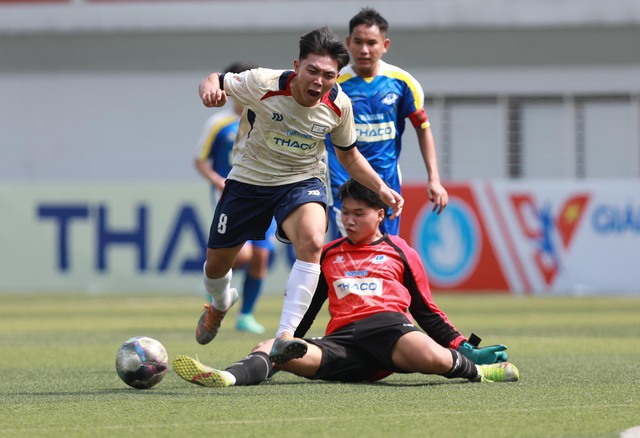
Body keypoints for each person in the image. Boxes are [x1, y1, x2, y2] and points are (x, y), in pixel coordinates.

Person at [172, 179, 517, 387]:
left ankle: (480, 373)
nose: (348, 221)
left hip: (392, 333)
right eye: (344, 213)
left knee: (434, 357)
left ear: (380, 215)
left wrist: (461, 344)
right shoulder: (328, 254)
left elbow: (426, 310)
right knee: (267, 347)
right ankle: (227, 377)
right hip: (343, 345)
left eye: (359, 214)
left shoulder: (400, 251)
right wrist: (287, 342)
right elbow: (307, 305)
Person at [195, 27, 404, 366]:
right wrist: (210, 90)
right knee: (216, 267)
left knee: (311, 240)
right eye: (312, 71)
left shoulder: (339, 105)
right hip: (249, 180)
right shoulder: (262, 82)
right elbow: (216, 79)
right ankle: (219, 304)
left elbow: (348, 155)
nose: (319, 82)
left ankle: (285, 335)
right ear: (297, 66)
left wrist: (380, 187)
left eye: (329, 75)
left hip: (301, 180)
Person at [326, 7, 448, 239]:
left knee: (386, 248)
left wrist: (434, 178)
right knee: (354, 247)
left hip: (387, 179)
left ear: (385, 45)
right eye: (358, 42)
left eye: (371, 43)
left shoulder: (403, 83)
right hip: (343, 181)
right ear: (348, 42)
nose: (364, 50)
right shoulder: (333, 83)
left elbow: (423, 129)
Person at [194, 61, 275, 335]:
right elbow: (200, 160)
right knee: (241, 256)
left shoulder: (269, 116)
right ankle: (218, 293)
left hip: (265, 194)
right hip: (230, 196)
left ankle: (246, 315)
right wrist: (217, 180)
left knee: (261, 257)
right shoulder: (218, 123)